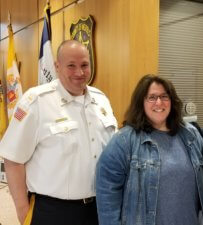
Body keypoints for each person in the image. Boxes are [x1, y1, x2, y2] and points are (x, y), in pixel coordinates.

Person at [0, 40, 117, 225]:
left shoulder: (101, 100)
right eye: (71, 65)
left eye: (84, 65)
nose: (79, 72)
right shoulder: (36, 102)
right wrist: (23, 211)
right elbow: (13, 159)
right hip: (53, 212)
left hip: (98, 209)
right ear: (57, 66)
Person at [95, 74, 203, 225]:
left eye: (164, 96)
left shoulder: (191, 135)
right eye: (152, 97)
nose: (159, 102)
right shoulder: (124, 141)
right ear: (141, 102)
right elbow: (107, 191)